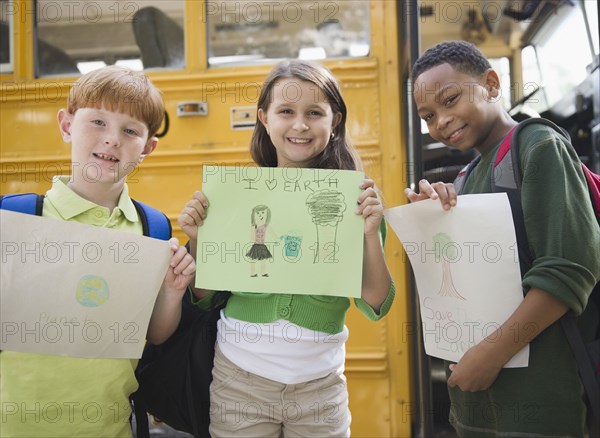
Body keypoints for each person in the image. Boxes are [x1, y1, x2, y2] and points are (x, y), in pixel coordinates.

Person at [178, 59, 394, 437]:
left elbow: (376, 302)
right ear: (263, 118)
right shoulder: (234, 197)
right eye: (285, 112)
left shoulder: (357, 201)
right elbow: (203, 294)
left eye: (314, 112)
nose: (299, 124)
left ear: (335, 120)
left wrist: (368, 234)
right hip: (238, 379)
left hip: (320, 387)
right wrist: (199, 238)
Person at [406, 40, 600, 437]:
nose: (440, 121)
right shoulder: (464, 178)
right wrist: (431, 221)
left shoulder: (539, 146)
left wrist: (490, 355)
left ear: (492, 84)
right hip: (478, 406)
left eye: (451, 99)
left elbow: (569, 268)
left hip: (543, 399)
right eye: (427, 115)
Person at [0, 65, 196, 437]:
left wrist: (173, 291)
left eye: (130, 130)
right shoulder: (14, 218)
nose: (112, 140)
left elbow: (154, 333)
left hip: (111, 425)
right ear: (66, 125)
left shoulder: (151, 228)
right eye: (98, 122)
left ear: (148, 147)